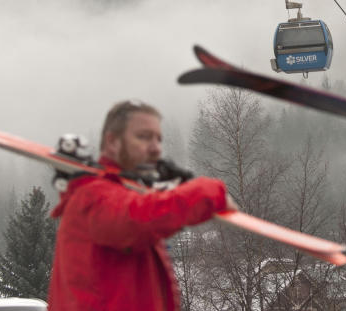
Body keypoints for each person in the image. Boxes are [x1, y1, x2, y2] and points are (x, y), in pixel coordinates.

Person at [47, 100, 235, 311]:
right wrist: (206, 193)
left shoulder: (115, 195)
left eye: (158, 139)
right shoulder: (93, 195)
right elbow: (134, 220)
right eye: (144, 137)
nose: (156, 148)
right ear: (112, 142)